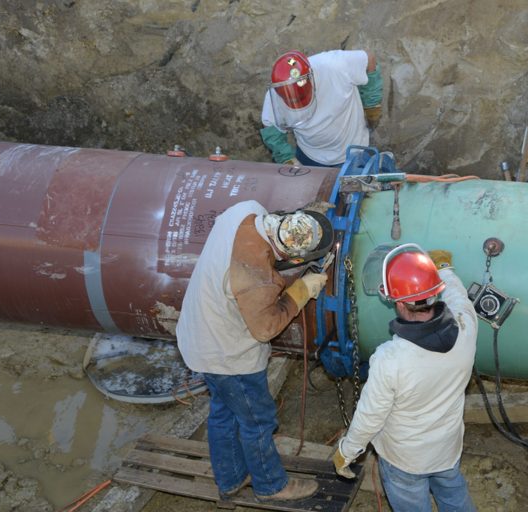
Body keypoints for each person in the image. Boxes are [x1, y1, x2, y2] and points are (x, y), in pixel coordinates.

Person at [176, 200, 333, 502]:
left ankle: (231, 478)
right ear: (288, 254)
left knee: (224, 413)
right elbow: (265, 328)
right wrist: (302, 289)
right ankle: (271, 485)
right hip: (227, 356)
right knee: (257, 420)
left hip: (198, 335)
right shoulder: (254, 280)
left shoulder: (245, 210)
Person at [332, 244, 479, 512]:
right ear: (436, 294)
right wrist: (444, 270)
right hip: (447, 448)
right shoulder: (466, 326)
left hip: (405, 460)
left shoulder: (391, 358)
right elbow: (459, 297)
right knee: (453, 494)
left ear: (399, 303)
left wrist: (347, 451)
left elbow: (370, 416)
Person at [260, 48, 384, 167]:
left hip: (353, 152)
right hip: (309, 155)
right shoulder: (276, 94)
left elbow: (369, 59)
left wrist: (371, 104)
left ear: (311, 80)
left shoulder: (334, 65)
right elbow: (271, 128)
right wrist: (286, 158)